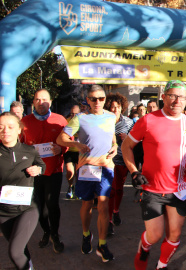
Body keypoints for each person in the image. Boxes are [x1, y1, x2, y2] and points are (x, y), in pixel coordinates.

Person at [121, 80, 186, 270]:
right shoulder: (148, 120)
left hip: (178, 189)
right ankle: (144, 246)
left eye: (181, 97)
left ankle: (162, 265)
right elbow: (126, 146)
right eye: (172, 96)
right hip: (152, 187)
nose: (176, 101)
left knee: (175, 234)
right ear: (164, 97)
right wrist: (134, 171)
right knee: (155, 235)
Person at [56, 85, 117, 262]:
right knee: (87, 205)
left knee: (104, 205)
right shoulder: (80, 118)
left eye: (101, 98)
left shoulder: (111, 116)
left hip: (106, 167)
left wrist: (115, 147)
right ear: (87, 100)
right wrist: (75, 145)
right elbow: (61, 139)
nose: (97, 102)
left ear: (105, 99)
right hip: (87, 168)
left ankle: (102, 245)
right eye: (93, 99)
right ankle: (86, 234)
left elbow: (112, 137)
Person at [21, 89, 68, 254]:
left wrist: (61, 148)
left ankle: (55, 235)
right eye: (37, 100)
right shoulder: (24, 122)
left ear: (50, 101)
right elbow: (18, 144)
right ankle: (46, 231)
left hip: (53, 170)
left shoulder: (60, 120)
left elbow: (69, 142)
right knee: (39, 207)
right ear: (33, 102)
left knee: (52, 204)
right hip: (33, 172)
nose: (41, 103)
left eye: (44, 99)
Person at [0, 112, 45, 270]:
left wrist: (38, 169)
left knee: (14, 252)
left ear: (19, 130)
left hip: (27, 208)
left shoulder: (29, 150)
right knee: (20, 247)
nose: (6, 130)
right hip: (3, 212)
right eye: (1, 127)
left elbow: (42, 166)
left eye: (10, 127)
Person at [104, 93, 134, 236]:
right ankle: (109, 221)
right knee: (111, 191)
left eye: (118, 107)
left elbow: (135, 142)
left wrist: (127, 138)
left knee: (119, 189)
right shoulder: (103, 121)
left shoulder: (128, 122)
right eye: (112, 107)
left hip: (123, 160)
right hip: (109, 160)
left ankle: (116, 211)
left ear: (122, 107)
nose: (115, 109)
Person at [64, 104, 81, 199]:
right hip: (69, 150)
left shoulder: (83, 121)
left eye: (76, 114)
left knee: (78, 172)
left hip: (79, 151)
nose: (73, 116)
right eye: (72, 114)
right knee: (70, 172)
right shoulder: (67, 121)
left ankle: (78, 189)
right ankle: (70, 187)